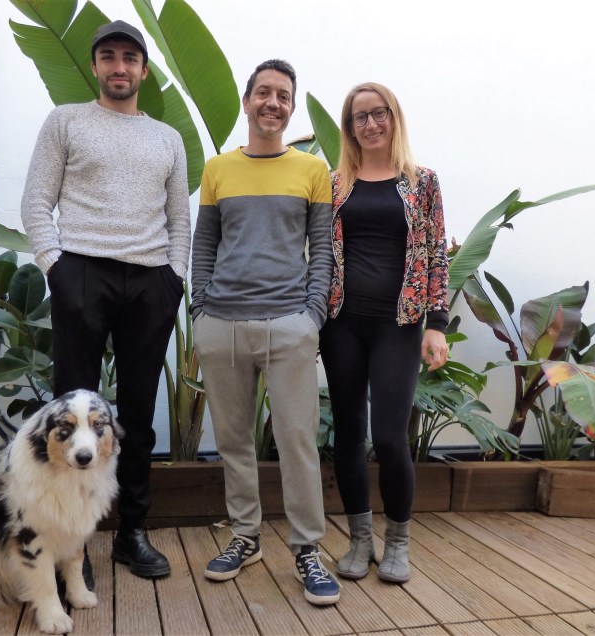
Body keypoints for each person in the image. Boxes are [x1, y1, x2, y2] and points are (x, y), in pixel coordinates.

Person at [21, 20, 190, 581]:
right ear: (95, 66)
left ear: (144, 70)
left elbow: (179, 219)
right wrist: (57, 268)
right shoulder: (65, 122)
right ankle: (71, 548)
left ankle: (132, 534)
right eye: (109, 57)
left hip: (150, 282)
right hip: (82, 275)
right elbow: (35, 202)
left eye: (130, 58)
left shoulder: (167, 138)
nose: (120, 67)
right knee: (71, 419)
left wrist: (175, 278)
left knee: (137, 417)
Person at [190, 59, 340, 606]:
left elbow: (322, 250)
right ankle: (245, 536)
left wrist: (311, 317)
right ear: (247, 100)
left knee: (297, 440)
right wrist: (200, 311)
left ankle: (307, 549)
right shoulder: (217, 170)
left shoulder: (311, 171)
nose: (272, 103)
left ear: (290, 106)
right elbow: (203, 246)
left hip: (289, 324)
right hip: (221, 324)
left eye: (283, 95)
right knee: (232, 441)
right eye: (263, 93)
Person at [319, 82, 449, 584]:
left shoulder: (423, 182)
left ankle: (397, 541)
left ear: (394, 117)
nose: (370, 124)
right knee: (348, 433)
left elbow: (437, 252)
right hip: (342, 324)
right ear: (349, 128)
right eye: (359, 118)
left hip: (398, 324)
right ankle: (359, 539)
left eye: (379, 114)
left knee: (390, 438)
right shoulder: (336, 183)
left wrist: (435, 325)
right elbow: (321, 253)